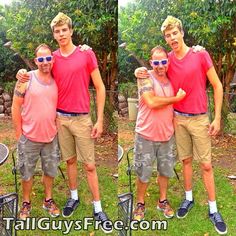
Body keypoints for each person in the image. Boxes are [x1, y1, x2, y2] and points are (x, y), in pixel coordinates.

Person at [16, 12, 111, 233]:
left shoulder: (86, 54)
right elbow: (38, 72)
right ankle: (73, 197)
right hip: (60, 119)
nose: (61, 34)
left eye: (64, 30)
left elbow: (100, 87)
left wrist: (99, 120)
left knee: (89, 165)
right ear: (54, 35)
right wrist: (22, 73)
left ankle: (98, 208)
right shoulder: (53, 58)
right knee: (69, 162)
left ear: (71, 30)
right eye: (57, 31)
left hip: (82, 119)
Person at [135, 16, 227, 235]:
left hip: (199, 118)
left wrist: (216, 118)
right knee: (186, 161)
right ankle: (188, 199)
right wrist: (139, 72)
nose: (172, 38)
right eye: (168, 35)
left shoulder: (200, 54)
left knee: (206, 165)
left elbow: (217, 85)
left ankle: (213, 209)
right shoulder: (166, 59)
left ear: (182, 33)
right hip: (178, 119)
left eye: (174, 33)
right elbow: (152, 68)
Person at [133, 45, 186, 221]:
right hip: (146, 135)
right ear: (151, 63)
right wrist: (176, 99)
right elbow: (151, 102)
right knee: (144, 173)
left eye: (163, 61)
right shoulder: (145, 77)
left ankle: (162, 201)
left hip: (166, 136)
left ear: (168, 62)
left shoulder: (172, 79)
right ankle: (140, 203)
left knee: (165, 171)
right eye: (156, 62)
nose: (160, 65)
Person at [12, 44, 60, 220]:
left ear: (52, 60)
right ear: (35, 61)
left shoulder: (57, 80)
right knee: (26, 172)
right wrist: (19, 134)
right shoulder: (26, 79)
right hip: (29, 137)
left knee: (50, 171)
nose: (45, 62)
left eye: (48, 58)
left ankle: (48, 200)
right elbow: (16, 106)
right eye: (41, 59)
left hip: (50, 137)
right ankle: (26, 202)